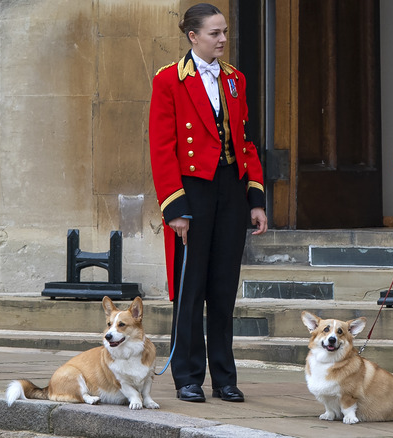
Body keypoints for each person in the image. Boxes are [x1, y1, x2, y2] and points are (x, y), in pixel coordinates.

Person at [149, 3, 267, 403]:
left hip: (231, 190)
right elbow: (162, 149)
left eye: (224, 32)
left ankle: (225, 377)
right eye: (215, 33)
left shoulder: (235, 79)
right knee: (190, 288)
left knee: (222, 288)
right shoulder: (169, 80)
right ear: (193, 36)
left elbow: (246, 142)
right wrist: (175, 208)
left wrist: (255, 198)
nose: (222, 39)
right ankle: (187, 375)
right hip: (192, 193)